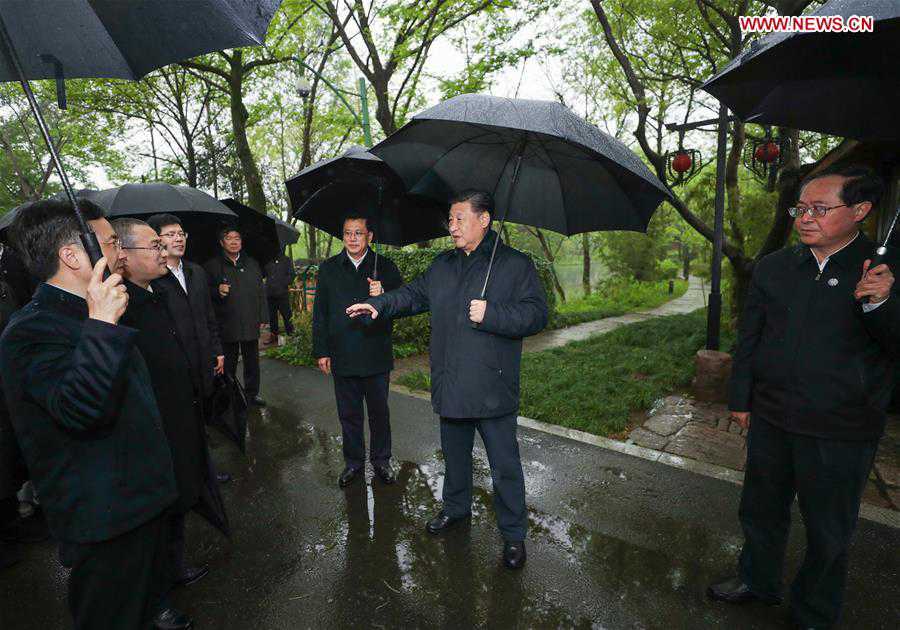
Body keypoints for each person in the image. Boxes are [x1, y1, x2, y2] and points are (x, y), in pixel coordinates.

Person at [707, 165, 899, 629]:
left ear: (860, 211)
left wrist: (880, 304)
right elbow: (749, 337)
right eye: (801, 208)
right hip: (773, 416)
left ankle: (814, 610)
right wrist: (741, 397)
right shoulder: (776, 266)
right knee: (760, 508)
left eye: (820, 208)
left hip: (842, 426)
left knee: (829, 528)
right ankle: (758, 580)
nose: (805, 218)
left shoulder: (883, 270)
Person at [0, 199, 187, 629]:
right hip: (105, 521)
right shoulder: (31, 331)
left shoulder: (99, 305)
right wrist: (101, 326)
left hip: (143, 504)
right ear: (72, 255)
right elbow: (80, 408)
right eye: (107, 242)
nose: (120, 252)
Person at [347, 190, 548, 570]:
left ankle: (513, 535)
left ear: (483, 219)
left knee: (504, 467)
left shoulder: (515, 265)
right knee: (454, 460)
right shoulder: (442, 265)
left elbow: (537, 315)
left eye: (458, 218)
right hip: (451, 382)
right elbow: (411, 296)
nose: (451, 226)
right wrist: (378, 305)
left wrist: (493, 314)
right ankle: (455, 510)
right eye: (450, 220)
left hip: (493, 387)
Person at [113, 218, 229, 600]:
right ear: (124, 256)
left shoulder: (155, 294)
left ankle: (174, 565)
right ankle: (159, 586)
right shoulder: (119, 308)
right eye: (155, 246)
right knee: (162, 503)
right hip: (155, 425)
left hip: (184, 407)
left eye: (165, 245)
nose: (164, 251)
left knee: (183, 490)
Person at [313, 214, 403, 488]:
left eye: (358, 233)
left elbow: (403, 304)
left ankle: (381, 461)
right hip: (343, 354)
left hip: (375, 353)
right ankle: (353, 463)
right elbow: (321, 313)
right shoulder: (329, 268)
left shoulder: (385, 267)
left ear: (370, 236)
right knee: (349, 415)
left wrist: (384, 293)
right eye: (348, 233)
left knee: (379, 413)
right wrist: (322, 351)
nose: (352, 238)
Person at [147, 214, 231, 484]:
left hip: (202, 360)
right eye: (170, 234)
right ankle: (184, 473)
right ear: (156, 241)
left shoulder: (196, 272)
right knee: (180, 421)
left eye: (181, 233)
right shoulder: (152, 280)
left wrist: (217, 349)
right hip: (173, 367)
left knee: (201, 417)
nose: (178, 238)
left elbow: (208, 315)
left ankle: (205, 470)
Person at [204, 227, 268, 407]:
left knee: (252, 361)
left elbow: (261, 291)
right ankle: (230, 396)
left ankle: (252, 394)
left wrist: (264, 316)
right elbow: (202, 294)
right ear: (221, 242)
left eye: (237, 238)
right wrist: (216, 291)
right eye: (229, 238)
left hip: (249, 320)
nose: (233, 241)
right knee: (228, 363)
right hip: (226, 322)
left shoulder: (252, 264)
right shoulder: (212, 266)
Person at [264, 247, 296, 346]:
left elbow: (291, 275)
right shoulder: (267, 260)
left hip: (282, 294)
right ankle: (273, 335)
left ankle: (291, 335)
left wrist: (282, 283)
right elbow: (263, 274)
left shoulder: (286, 260)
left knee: (287, 315)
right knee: (272, 317)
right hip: (270, 294)